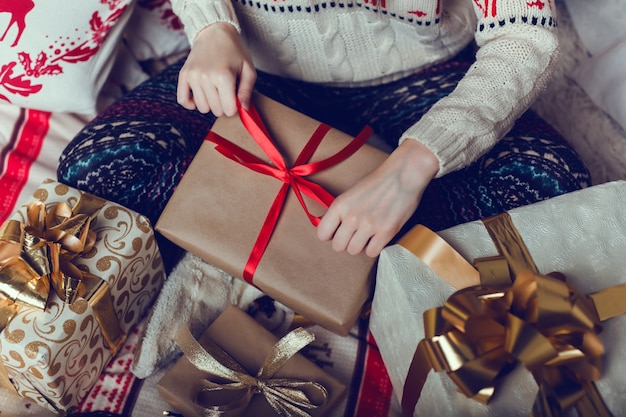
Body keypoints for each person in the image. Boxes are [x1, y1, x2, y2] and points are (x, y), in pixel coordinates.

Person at [58, 0, 590, 270]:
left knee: (545, 182)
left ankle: (271, 244)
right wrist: (211, 27)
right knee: (102, 166)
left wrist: (415, 165)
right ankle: (329, 250)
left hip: (423, 81)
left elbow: (523, 33)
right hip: (260, 77)